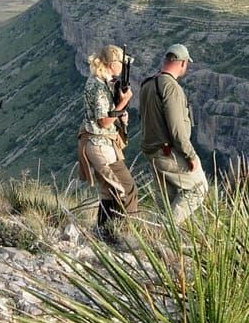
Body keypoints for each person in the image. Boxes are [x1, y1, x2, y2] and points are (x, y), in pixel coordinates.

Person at [139, 43, 208, 225]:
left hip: (152, 150)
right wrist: (190, 155)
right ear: (183, 63)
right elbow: (176, 127)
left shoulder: (148, 84)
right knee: (198, 188)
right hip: (168, 152)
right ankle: (164, 230)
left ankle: (156, 239)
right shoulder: (171, 88)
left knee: (166, 201)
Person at [77, 45, 139, 237]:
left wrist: (120, 113)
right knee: (127, 188)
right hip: (100, 144)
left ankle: (104, 233)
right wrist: (122, 102)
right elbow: (103, 122)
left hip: (99, 143)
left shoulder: (102, 83)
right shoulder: (97, 86)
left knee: (108, 192)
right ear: (113, 64)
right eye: (121, 63)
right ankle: (127, 236)